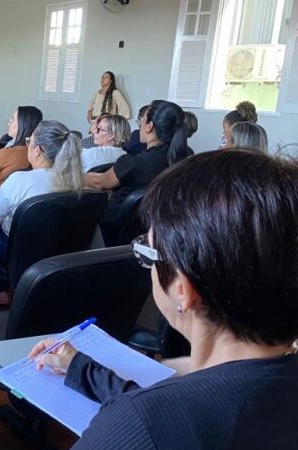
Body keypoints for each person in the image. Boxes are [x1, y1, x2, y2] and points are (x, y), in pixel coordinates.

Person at [28, 149, 298, 449]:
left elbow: (156, 419)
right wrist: (82, 368)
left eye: (148, 252)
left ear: (182, 289)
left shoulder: (136, 424)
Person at [84, 100, 193, 244]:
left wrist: (76, 176)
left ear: (150, 126)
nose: (139, 124)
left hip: (112, 232)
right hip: (158, 232)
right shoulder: (188, 159)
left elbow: (100, 182)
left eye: (141, 120)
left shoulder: (134, 163)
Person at [0, 121, 84, 264]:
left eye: (29, 141)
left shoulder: (18, 180)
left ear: (37, 150)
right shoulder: (77, 182)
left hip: (15, 252)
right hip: (60, 250)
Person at [0, 106, 43, 196]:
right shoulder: (40, 153)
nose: (9, 123)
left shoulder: (8, 153)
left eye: (12, 119)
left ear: (22, 124)